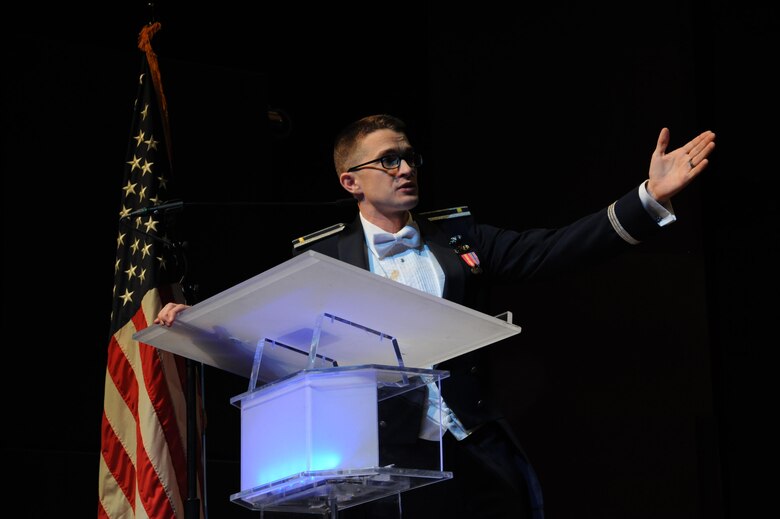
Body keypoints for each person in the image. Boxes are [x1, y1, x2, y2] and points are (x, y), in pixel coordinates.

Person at [155, 114, 716, 518]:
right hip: (384, 461)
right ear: (350, 182)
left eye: (409, 157)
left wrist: (647, 199)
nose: (405, 169)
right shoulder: (321, 258)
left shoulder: (459, 237)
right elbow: (269, 328)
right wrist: (199, 318)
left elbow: (555, 248)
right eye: (388, 160)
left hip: (475, 445)